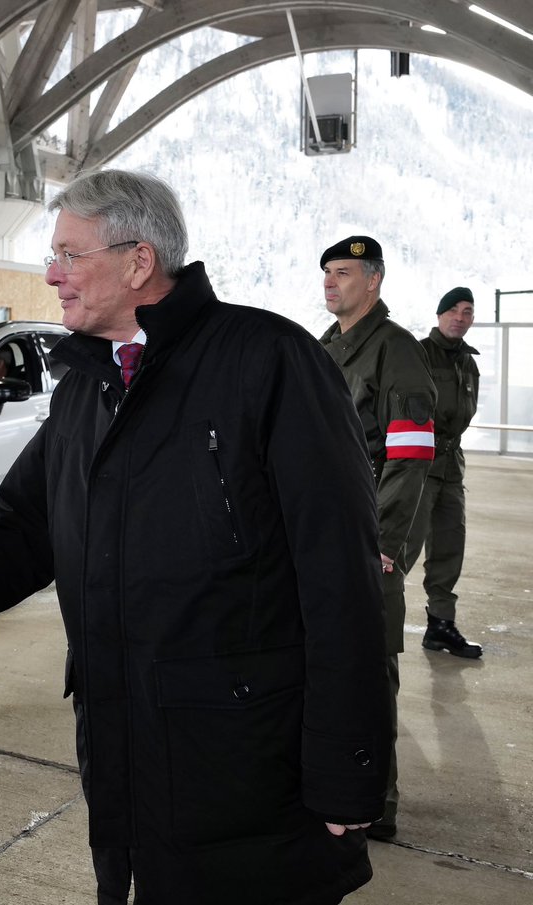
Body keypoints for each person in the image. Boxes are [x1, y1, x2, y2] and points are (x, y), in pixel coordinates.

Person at [0, 170, 391, 905]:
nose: (51, 273)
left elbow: (342, 578)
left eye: (69, 253)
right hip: (128, 754)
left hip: (251, 771)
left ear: (138, 261)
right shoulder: (86, 388)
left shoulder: (268, 361)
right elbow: (22, 532)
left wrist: (348, 775)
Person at [318, 235, 438, 841]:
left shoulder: (397, 352)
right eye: (327, 273)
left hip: (369, 539)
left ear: (375, 280)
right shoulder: (326, 348)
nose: (331, 283)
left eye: (343, 272)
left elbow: (412, 453)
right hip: (322, 535)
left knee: (368, 669)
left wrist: (387, 544)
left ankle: (376, 799)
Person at [404, 287, 483, 658]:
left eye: (467, 311)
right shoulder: (416, 354)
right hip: (417, 465)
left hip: (452, 466)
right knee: (400, 548)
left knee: (450, 547)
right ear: (439, 315)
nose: (460, 317)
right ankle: (368, 621)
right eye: (453, 310)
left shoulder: (468, 363)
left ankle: (440, 626)